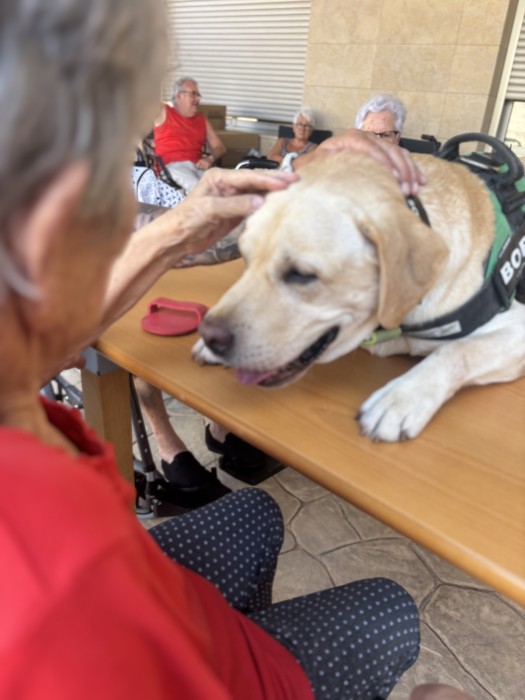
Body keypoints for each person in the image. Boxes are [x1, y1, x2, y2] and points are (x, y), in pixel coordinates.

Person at [4, 0, 459, 696]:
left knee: (254, 511)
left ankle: (247, 619)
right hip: (221, 674)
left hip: (158, 599)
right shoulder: (51, 601)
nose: (133, 202)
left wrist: (179, 227)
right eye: (117, 165)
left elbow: (32, 346)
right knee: (389, 608)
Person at [153, 76, 227, 192]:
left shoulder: (202, 120)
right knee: (200, 190)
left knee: (223, 187)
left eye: (198, 95)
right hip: (171, 167)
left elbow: (220, 147)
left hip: (197, 167)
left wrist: (210, 159)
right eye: (193, 94)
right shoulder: (164, 112)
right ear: (179, 96)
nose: (197, 99)